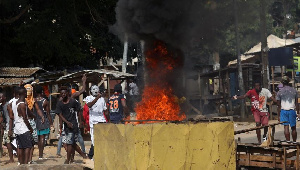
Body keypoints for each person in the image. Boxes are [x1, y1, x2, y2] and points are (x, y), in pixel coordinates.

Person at [56, 86, 87, 164]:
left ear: (67, 93)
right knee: (70, 143)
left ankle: (68, 159)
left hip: (73, 125)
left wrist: (80, 122)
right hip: (66, 126)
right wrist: (65, 123)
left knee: (70, 143)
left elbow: (79, 111)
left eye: (64, 93)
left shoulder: (73, 101)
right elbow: (60, 115)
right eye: (61, 93)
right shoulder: (60, 103)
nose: (63, 95)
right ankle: (83, 155)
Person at [84, 85, 107, 159]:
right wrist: (97, 98)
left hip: (102, 121)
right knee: (94, 140)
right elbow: (89, 105)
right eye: (93, 89)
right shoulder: (88, 98)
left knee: (103, 140)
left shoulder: (102, 99)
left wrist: (108, 121)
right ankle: (90, 156)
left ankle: (97, 156)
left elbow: (105, 111)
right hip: (93, 122)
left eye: (96, 89)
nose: (95, 91)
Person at [14, 87, 34, 164]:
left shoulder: (17, 103)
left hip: (17, 128)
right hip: (23, 128)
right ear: (24, 93)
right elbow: (25, 118)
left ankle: (21, 163)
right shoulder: (22, 105)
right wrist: (30, 128)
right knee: (28, 147)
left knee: (21, 147)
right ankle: (25, 164)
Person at [276, 76, 299, 142]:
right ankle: (294, 142)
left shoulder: (280, 92)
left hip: (283, 111)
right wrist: (298, 113)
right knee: (293, 128)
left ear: (282, 82)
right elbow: (297, 103)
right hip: (292, 110)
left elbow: (278, 104)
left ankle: (288, 142)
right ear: (288, 82)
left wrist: (279, 115)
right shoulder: (294, 91)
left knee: (286, 127)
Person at [34, 85, 53, 159]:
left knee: (39, 138)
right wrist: (51, 123)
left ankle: (40, 154)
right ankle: (40, 155)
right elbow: (48, 113)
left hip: (36, 120)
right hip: (43, 120)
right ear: (42, 91)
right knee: (42, 138)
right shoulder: (45, 101)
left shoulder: (34, 100)